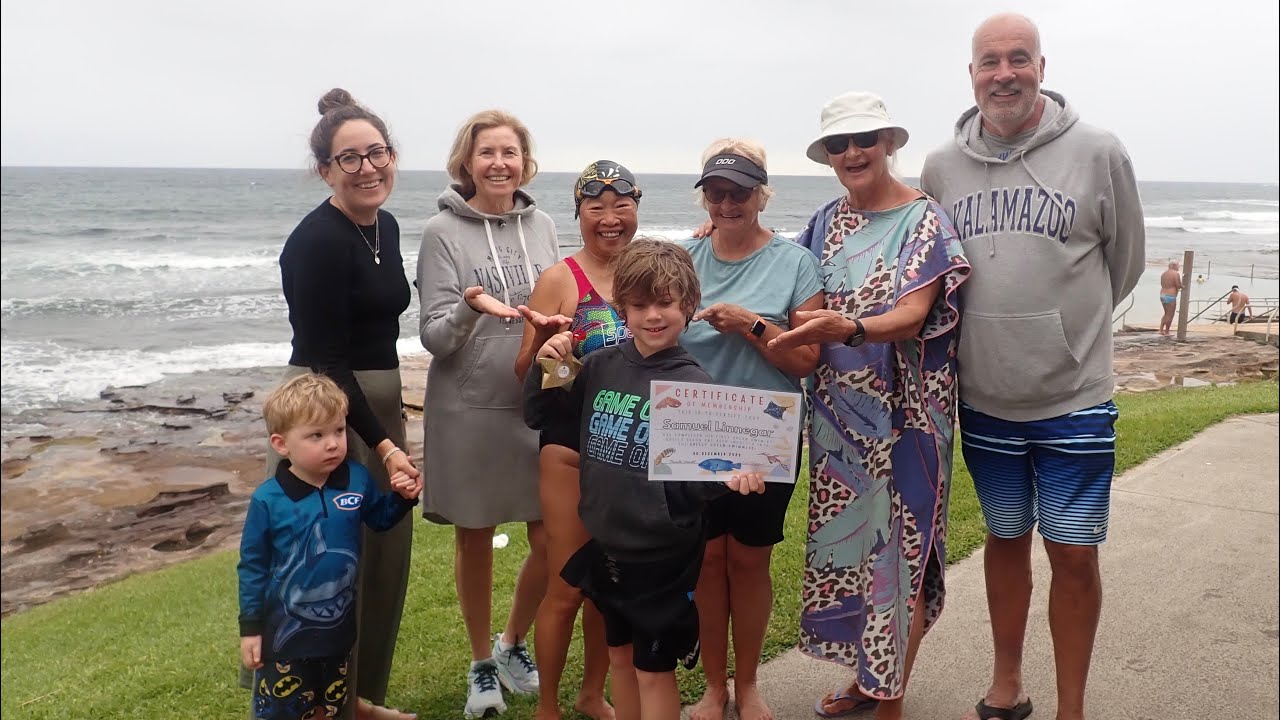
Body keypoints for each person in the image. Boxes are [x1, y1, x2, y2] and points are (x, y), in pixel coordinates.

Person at [918, 13, 1145, 720]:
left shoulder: (1099, 151)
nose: (1004, 73)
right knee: (1005, 536)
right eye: (990, 61)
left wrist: (1065, 337)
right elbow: (918, 257)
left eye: (1019, 59)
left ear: (1043, 68)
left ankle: (1071, 709)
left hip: (1075, 398)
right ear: (972, 74)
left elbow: (1125, 260)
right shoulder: (941, 166)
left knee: (1074, 555)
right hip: (985, 399)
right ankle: (1006, 681)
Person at [765, 91, 970, 720]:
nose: (852, 153)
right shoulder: (825, 222)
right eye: (839, 144)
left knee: (902, 550)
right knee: (855, 550)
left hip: (909, 417)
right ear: (827, 156)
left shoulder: (925, 218)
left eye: (865, 139)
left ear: (889, 144)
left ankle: (890, 700)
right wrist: (719, 232)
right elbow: (792, 281)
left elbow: (912, 316)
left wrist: (851, 329)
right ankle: (867, 680)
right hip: (837, 420)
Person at [523, 239, 767, 720]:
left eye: (665, 303)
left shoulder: (695, 386)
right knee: (618, 656)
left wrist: (736, 478)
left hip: (663, 557)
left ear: (689, 306)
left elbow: (702, 480)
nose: (653, 316)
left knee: (654, 671)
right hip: (609, 545)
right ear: (622, 309)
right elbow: (540, 415)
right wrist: (546, 363)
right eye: (639, 305)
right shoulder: (599, 366)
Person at [259, 87, 423, 720]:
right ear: (325, 169)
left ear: (392, 156)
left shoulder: (386, 223)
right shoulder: (316, 242)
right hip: (328, 409)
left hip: (377, 398)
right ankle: (314, 703)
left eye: (376, 153)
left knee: (383, 559)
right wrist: (382, 443)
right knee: (325, 566)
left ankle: (360, 697)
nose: (367, 168)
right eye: (349, 158)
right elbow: (328, 361)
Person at [417, 109, 558, 718]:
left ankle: (513, 643)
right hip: (468, 407)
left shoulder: (547, 224)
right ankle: (480, 663)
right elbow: (435, 338)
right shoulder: (440, 233)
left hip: (537, 400)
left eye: (510, 152)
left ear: (525, 162)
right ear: (466, 162)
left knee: (552, 535)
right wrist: (473, 307)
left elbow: (561, 300)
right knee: (475, 536)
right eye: (487, 153)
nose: (499, 163)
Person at [678, 139, 823, 720]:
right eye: (716, 192)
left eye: (739, 192)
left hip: (766, 438)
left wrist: (752, 325)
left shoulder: (795, 264)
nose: (727, 203)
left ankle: (750, 683)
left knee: (750, 561)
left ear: (761, 196)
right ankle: (715, 686)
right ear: (705, 198)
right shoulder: (684, 259)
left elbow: (808, 359)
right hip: (691, 436)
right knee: (708, 561)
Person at [513, 159, 644, 720]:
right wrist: (547, 349)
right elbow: (524, 372)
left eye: (621, 206)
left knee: (609, 586)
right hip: (570, 448)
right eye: (596, 208)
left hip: (631, 451)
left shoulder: (649, 271)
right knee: (567, 586)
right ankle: (548, 706)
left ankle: (593, 694)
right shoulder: (560, 279)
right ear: (579, 213)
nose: (610, 219)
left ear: (637, 209)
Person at [238, 373, 421, 720]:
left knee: (331, 709)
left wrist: (402, 498)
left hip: (338, 637)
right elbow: (252, 569)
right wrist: (250, 630)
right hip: (284, 642)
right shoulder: (268, 500)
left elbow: (379, 520)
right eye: (316, 436)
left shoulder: (356, 479)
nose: (334, 443)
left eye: (338, 431)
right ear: (281, 444)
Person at [1159, 261, 1182, 336]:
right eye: (1178, 265)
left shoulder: (1164, 274)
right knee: (1170, 314)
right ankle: (1167, 332)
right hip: (1170, 296)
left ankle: (1161, 330)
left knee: (1166, 313)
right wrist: (1183, 286)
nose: (1179, 267)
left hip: (1162, 294)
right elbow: (1178, 285)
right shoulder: (1175, 274)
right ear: (1174, 266)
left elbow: (1163, 284)